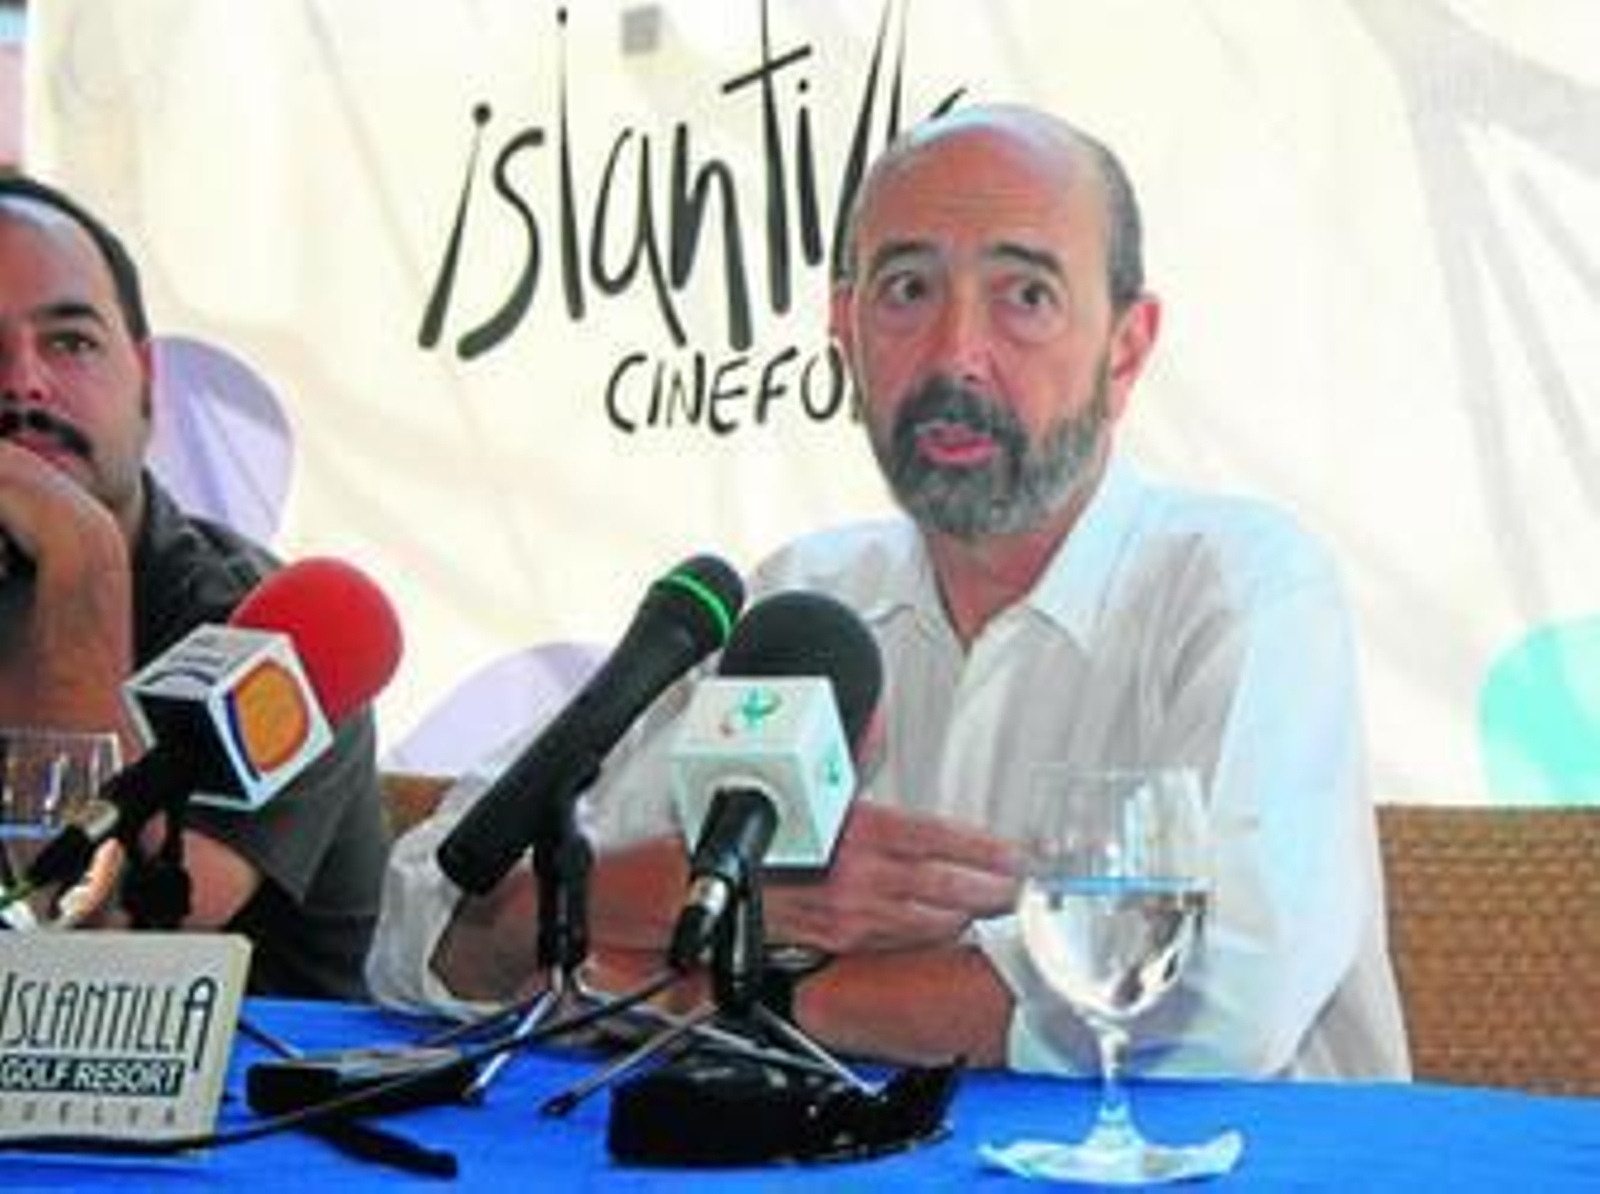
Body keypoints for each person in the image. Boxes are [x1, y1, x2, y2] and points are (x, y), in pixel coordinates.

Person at [369, 104, 1410, 1078]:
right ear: (847, 331)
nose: (957, 354)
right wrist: (698, 884)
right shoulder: (800, 605)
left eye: (1026, 296)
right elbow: (421, 917)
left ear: (1125, 349)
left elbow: (1223, 990)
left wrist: (732, 993)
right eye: (907, 290)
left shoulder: (1242, 585)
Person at [0, 173, 387, 999]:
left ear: (146, 380)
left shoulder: (269, 630)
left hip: (239, 1117)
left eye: (69, 342)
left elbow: (96, 940)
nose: (25, 383)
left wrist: (84, 559)